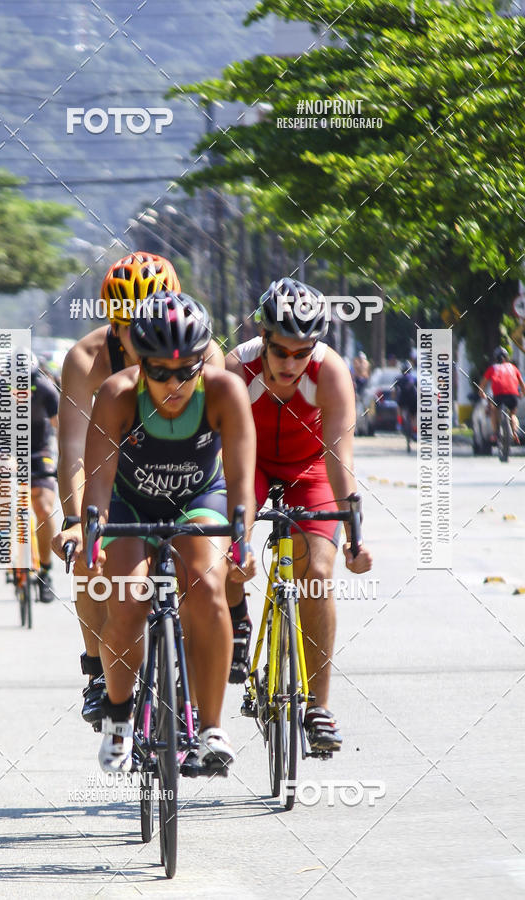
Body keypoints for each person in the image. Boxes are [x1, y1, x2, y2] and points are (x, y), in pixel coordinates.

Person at [78, 291, 256, 772]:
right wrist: (92, 541)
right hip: (129, 503)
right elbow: (96, 487)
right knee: (131, 597)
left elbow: (241, 484)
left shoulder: (225, 392)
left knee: (207, 585)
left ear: (204, 362)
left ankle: (211, 727)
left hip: (198, 500)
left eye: (187, 370)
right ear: (140, 362)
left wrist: (243, 541)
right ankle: (118, 717)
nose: (174, 382)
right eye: (159, 372)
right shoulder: (117, 394)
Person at [52, 252, 225, 733]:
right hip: (117, 475)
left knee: (208, 572)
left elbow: (223, 442)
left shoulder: (198, 349)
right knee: (92, 554)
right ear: (113, 321)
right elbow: (74, 451)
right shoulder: (87, 360)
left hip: (187, 477)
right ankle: (95, 669)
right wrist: (74, 520)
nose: (142, 338)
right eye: (129, 326)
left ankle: (198, 691)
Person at [225, 277, 372, 754]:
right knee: (229, 549)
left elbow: (339, 456)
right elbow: (226, 458)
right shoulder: (235, 368)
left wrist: (352, 533)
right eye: (281, 351)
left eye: (301, 352)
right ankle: (237, 617)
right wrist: (236, 537)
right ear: (262, 338)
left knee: (319, 572)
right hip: (252, 465)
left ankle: (319, 707)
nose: (290, 363)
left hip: (311, 466)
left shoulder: (330, 372)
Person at [0, 352, 59, 601]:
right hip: (5, 447)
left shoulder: (45, 390)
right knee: (3, 469)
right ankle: (2, 532)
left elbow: (63, 429)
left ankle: (45, 570)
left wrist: (65, 462)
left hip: (38, 450)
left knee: (43, 508)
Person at [479, 346, 525, 443]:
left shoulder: (492, 368)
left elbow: (483, 384)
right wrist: (522, 394)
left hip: (498, 395)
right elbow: (522, 384)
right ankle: (515, 432)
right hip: (513, 395)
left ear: (496, 358)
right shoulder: (513, 368)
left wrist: (482, 393)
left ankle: (495, 433)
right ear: (507, 357)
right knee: (512, 414)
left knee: (493, 410)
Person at [395, 361, 418, 438]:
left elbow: (394, 391)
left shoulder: (398, 378)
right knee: (414, 416)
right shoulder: (414, 378)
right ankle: (415, 431)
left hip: (403, 398)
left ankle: (400, 423)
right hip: (413, 399)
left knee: (399, 407)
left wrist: (394, 398)